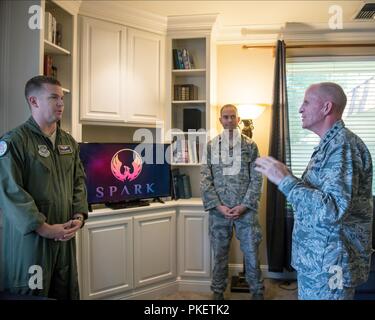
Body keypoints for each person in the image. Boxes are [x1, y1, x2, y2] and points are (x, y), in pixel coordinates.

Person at [255, 82, 373, 300]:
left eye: (307, 102)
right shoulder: (329, 145)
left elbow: (332, 210)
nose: (300, 109)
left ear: (326, 107)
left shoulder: (341, 147)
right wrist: (289, 178)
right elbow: (322, 196)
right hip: (317, 260)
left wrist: (286, 181)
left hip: (331, 264)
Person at [0, 76, 88, 299]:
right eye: (53, 98)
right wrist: (45, 228)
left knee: (66, 291)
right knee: (34, 294)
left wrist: (78, 215)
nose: (61, 104)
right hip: (32, 242)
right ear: (34, 101)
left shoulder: (69, 142)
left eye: (62, 98)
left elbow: (79, 181)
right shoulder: (14, 142)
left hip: (65, 237)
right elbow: (11, 191)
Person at [200, 104, 264, 300]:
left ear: (238, 119)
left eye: (232, 117)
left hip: (246, 212)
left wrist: (244, 205)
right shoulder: (211, 146)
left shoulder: (250, 145)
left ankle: (257, 293)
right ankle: (217, 293)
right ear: (220, 120)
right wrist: (219, 206)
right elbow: (205, 178)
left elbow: (257, 178)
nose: (229, 120)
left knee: (252, 256)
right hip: (219, 212)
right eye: (225, 117)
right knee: (219, 256)